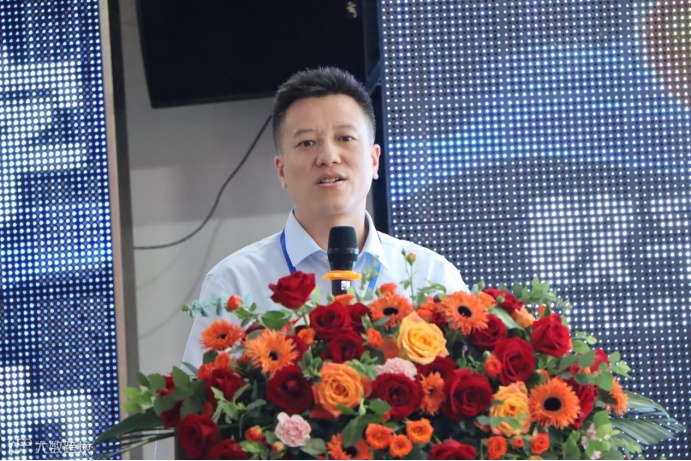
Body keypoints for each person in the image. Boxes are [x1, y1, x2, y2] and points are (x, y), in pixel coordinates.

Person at [182, 67, 467, 367]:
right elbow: (204, 391)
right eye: (307, 143)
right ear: (281, 170)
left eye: (345, 138)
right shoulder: (236, 282)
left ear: (374, 160)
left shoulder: (431, 275)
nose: (328, 157)